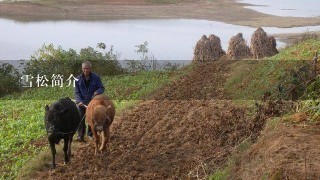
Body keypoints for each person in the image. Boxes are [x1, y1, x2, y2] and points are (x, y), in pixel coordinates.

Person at [75, 61, 104, 142]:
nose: (85, 70)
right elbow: (76, 92)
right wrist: (79, 101)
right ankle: (80, 135)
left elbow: (101, 87)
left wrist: (97, 92)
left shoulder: (96, 77)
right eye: (84, 68)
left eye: (87, 68)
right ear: (82, 69)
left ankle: (90, 134)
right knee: (81, 118)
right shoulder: (77, 79)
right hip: (82, 103)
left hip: (92, 102)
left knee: (91, 119)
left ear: (90, 69)